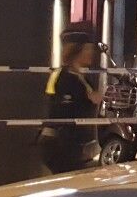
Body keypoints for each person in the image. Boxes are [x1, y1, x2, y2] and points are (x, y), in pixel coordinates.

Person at [40, 33, 103, 174]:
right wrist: (88, 100)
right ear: (76, 51)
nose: (91, 53)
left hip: (73, 145)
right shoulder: (63, 77)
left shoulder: (82, 77)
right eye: (87, 49)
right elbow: (61, 109)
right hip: (61, 144)